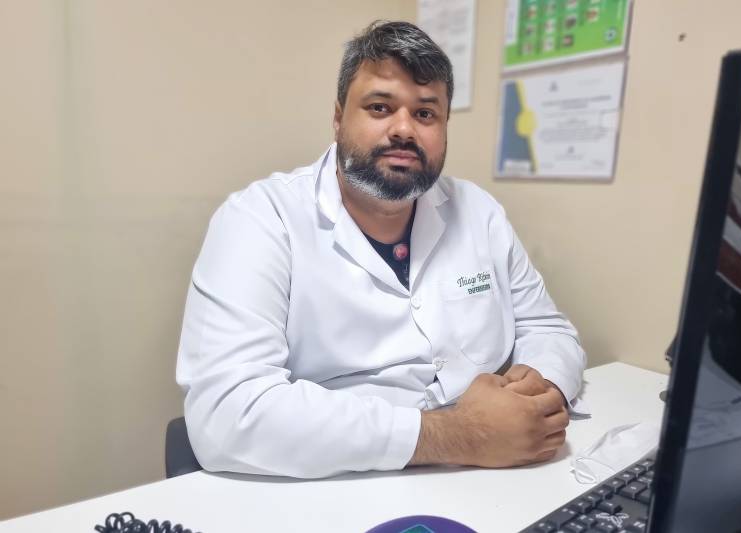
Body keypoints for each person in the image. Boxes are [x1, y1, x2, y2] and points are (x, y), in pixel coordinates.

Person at [176, 20, 586, 478]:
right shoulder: (261, 219)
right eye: (379, 107)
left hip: (493, 469)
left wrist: (540, 386)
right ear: (338, 118)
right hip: (335, 481)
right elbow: (228, 411)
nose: (404, 129)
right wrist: (459, 434)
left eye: (425, 114)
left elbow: (547, 327)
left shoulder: (479, 212)